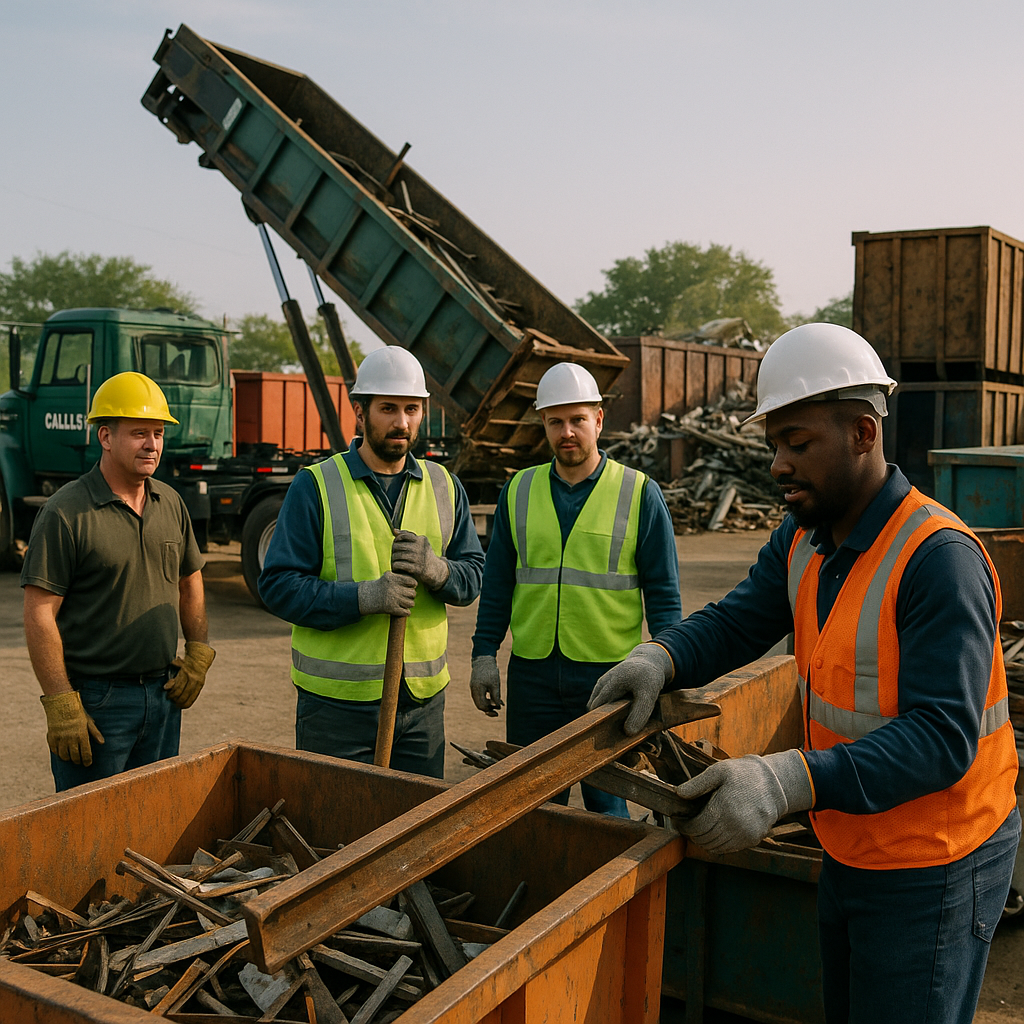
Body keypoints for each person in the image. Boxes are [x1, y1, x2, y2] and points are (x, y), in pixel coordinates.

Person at [588, 323, 1021, 1023]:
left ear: (861, 433)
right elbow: (739, 620)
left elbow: (943, 738)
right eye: (773, 446)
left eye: (797, 443)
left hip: (938, 862)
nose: (779, 466)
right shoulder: (805, 536)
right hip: (852, 838)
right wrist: (659, 657)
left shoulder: (937, 559)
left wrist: (785, 779)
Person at [258, 346, 484, 778]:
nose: (401, 422)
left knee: (414, 834)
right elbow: (278, 586)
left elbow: (474, 574)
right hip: (336, 710)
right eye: (388, 408)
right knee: (335, 840)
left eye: (411, 409)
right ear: (359, 413)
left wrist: (439, 571)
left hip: (421, 706)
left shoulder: (444, 486)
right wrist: (364, 597)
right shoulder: (317, 486)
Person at [470, 362, 681, 815]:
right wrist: (484, 653)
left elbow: (663, 593)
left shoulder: (638, 493)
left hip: (609, 676)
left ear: (599, 420)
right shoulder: (518, 491)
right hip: (532, 678)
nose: (568, 432)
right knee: (532, 807)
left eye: (578, 420)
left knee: (610, 807)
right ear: (542, 423)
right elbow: (499, 582)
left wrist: (667, 669)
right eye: (556, 421)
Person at [22, 372, 215, 792]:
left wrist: (197, 650)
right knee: (91, 831)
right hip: (97, 703)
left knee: (154, 822)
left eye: (159, 433)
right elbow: (39, 613)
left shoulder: (171, 502)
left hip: (164, 694)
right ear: (105, 437)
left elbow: (190, 579)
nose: (152, 444)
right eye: (140, 433)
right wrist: (60, 701)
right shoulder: (65, 513)